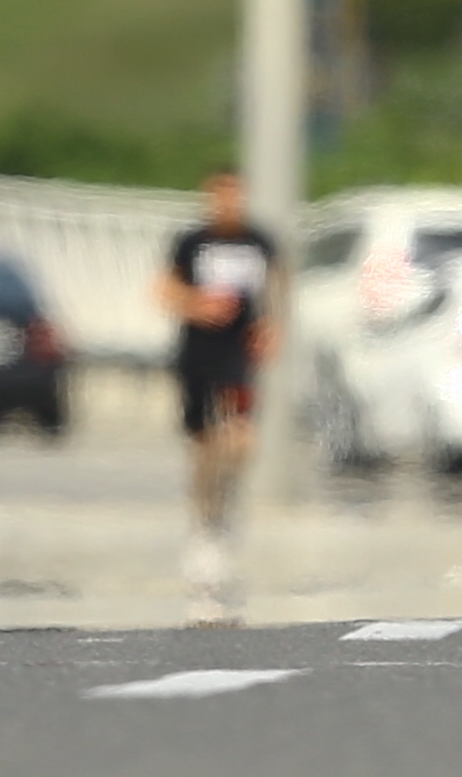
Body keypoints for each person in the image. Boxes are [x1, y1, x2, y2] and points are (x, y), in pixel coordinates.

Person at [159, 168, 278, 624]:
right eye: (221, 195)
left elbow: (276, 291)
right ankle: (204, 523)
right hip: (198, 353)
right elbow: (164, 289)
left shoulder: (259, 243)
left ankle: (224, 515)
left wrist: (271, 327)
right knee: (205, 444)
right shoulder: (192, 242)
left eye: (236, 195)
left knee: (241, 439)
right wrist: (196, 305)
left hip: (238, 356)